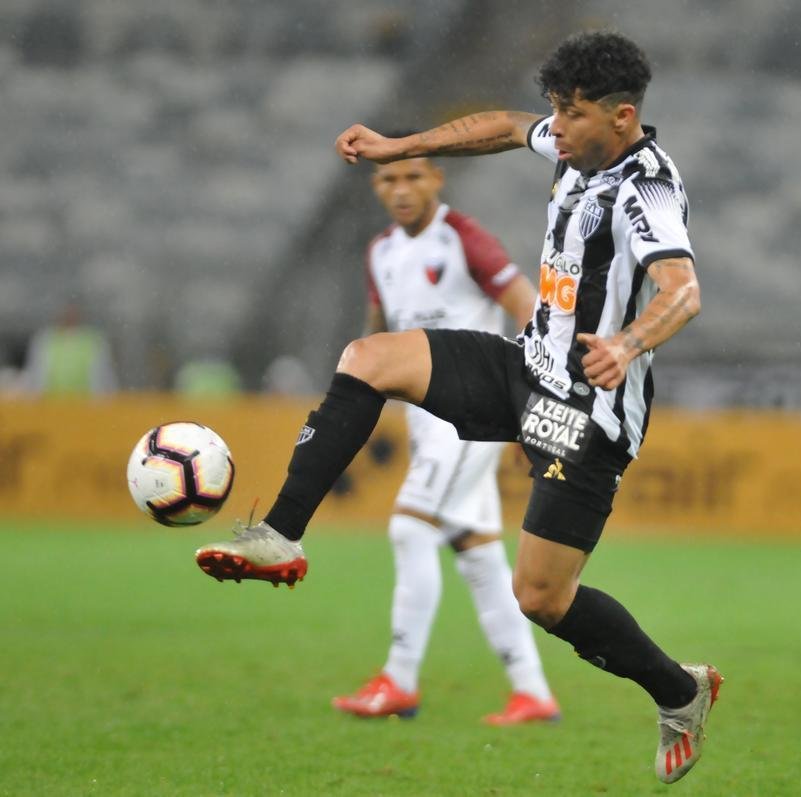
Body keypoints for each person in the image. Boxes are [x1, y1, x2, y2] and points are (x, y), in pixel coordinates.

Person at [196, 30, 721, 783]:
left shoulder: (648, 187)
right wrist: (398, 145)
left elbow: (683, 291)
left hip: (587, 409)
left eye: (570, 114)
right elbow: (504, 126)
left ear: (622, 116)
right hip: (526, 365)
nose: (554, 128)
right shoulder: (574, 144)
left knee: (540, 597)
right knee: (367, 357)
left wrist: (627, 344)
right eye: (554, 110)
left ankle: (679, 690)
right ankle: (280, 536)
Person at [328, 147, 560, 725]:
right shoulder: (381, 252)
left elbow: (528, 309)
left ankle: (400, 680)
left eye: (413, 175)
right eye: (389, 178)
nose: (402, 188)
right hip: (424, 422)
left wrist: (538, 395)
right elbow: (377, 340)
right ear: (377, 187)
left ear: (436, 178)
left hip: (471, 416)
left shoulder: (464, 239)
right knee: (476, 553)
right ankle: (532, 692)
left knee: (411, 527)